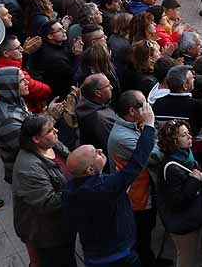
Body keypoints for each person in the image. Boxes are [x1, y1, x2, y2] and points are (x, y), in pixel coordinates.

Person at [65, 97, 157, 266]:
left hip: (94, 255)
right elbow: (136, 163)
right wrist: (149, 127)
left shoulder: (70, 191)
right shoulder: (105, 188)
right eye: (96, 154)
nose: (100, 150)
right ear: (90, 170)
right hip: (119, 256)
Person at [107, 91, 163, 267]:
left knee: (146, 231)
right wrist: (150, 126)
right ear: (132, 111)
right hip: (137, 198)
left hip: (144, 192)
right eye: (145, 104)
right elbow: (155, 155)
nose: (149, 108)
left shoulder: (133, 125)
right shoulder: (123, 137)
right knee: (141, 235)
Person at [12, 114, 75, 267]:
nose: (56, 132)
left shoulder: (53, 145)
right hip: (49, 233)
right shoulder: (28, 168)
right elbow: (48, 203)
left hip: (64, 223)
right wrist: (80, 186)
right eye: (49, 131)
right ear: (35, 139)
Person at [158, 118, 202, 267]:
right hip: (183, 223)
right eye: (184, 135)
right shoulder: (171, 167)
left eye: (188, 133)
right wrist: (194, 181)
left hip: (192, 216)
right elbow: (176, 202)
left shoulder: (186, 154)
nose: (189, 137)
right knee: (186, 256)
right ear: (174, 141)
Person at [76, 73, 117, 153]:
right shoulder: (102, 120)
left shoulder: (84, 105)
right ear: (98, 93)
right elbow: (115, 146)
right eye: (108, 86)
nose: (111, 87)